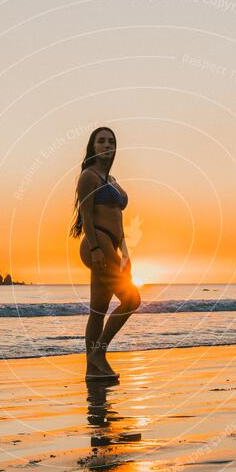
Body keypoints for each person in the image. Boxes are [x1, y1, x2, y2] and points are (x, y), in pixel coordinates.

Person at [70, 126, 141, 378]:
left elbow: (119, 221)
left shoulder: (112, 180)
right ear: (93, 146)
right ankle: (99, 352)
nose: (106, 144)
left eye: (111, 141)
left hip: (112, 244)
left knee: (98, 310)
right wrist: (97, 248)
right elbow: (87, 216)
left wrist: (125, 252)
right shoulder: (89, 176)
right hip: (97, 242)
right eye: (101, 141)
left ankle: (92, 369)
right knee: (132, 299)